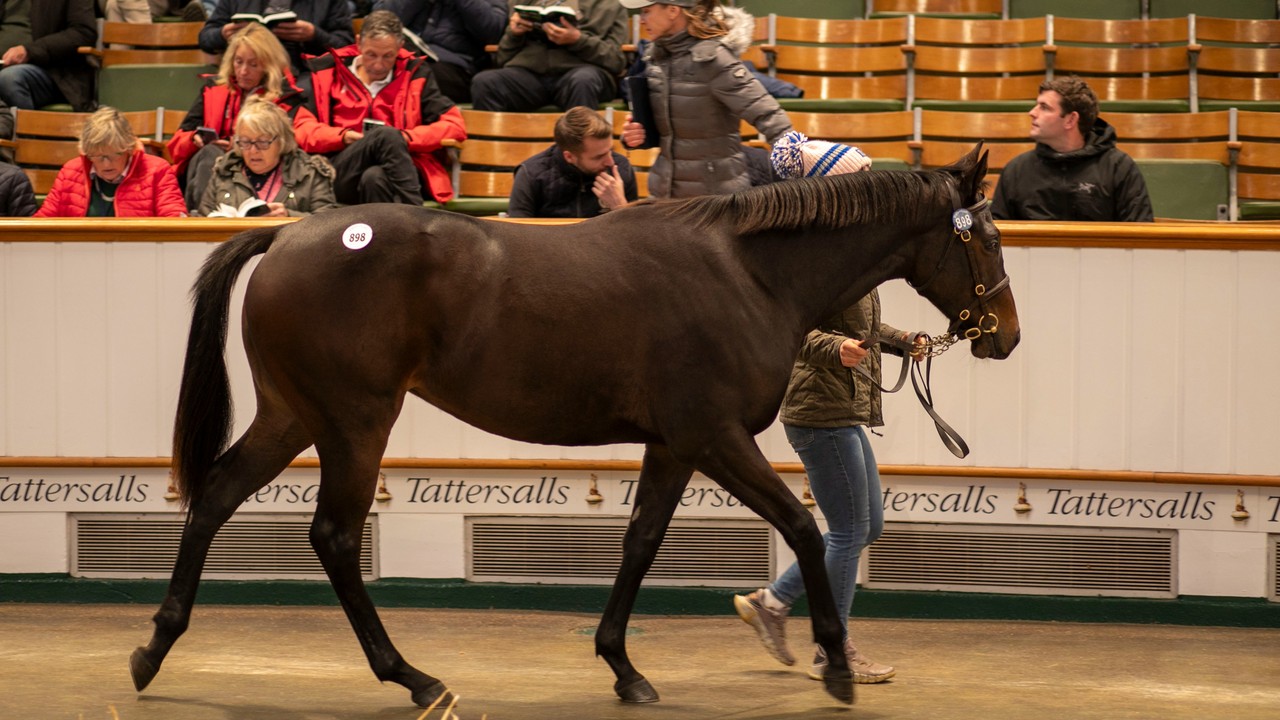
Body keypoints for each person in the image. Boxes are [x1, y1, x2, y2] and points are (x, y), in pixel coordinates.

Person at [733, 132, 922, 686]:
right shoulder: (810, 255)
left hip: (842, 404)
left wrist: (899, 338)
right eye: (857, 181)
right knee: (847, 529)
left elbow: (856, 327)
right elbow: (791, 326)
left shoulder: (845, 251)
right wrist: (831, 348)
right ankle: (831, 648)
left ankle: (773, 602)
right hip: (818, 407)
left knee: (867, 525)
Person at [618, 0, 790, 199]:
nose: (641, 20)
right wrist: (634, 136)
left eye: (647, 11)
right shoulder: (656, 59)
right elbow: (665, 131)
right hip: (664, 195)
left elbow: (767, 113)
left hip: (714, 203)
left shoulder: (714, 60)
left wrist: (801, 161)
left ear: (673, 11)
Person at [294, 9, 466, 205]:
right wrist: (342, 136)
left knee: (375, 177)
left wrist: (406, 138)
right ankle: (417, 214)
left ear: (400, 47)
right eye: (371, 55)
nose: (378, 64)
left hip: (394, 170)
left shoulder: (415, 74)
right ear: (358, 43)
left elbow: (455, 125)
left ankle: (389, 235)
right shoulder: (328, 72)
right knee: (385, 135)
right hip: (338, 168)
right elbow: (301, 129)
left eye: (387, 56)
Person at [169, 23, 303, 211]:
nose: (243, 71)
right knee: (209, 154)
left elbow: (289, 144)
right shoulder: (212, 90)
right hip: (212, 168)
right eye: (238, 62)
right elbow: (176, 144)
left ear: (269, 65)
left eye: (253, 64)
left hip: (262, 169)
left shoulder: (286, 97)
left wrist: (241, 146)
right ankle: (204, 221)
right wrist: (193, 139)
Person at [992, 76, 1154, 222]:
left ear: (1070, 120)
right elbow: (993, 235)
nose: (1032, 113)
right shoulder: (1017, 169)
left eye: (1044, 107)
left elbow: (1141, 232)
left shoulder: (1118, 167)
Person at [470, 0, 627, 112]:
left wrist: (578, 40)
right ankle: (493, 153)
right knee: (485, 82)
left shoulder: (610, 5)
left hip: (581, 71)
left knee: (583, 81)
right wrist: (514, 34)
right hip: (529, 75)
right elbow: (502, 59)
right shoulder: (524, 3)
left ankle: (581, 156)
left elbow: (616, 60)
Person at [36, 106, 187, 217]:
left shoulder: (157, 170)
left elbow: (174, 221)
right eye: (97, 156)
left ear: (128, 148)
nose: (106, 164)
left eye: (114, 155)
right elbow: (42, 222)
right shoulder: (70, 171)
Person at [198, 98, 336, 217]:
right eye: (245, 142)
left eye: (262, 142)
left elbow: (328, 223)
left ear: (281, 142)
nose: (253, 151)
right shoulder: (224, 171)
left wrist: (289, 216)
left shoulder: (309, 172)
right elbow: (202, 218)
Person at [508, 106, 637, 218]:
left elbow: (635, 241)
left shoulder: (621, 169)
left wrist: (619, 206)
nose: (610, 161)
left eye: (610, 150)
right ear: (569, 157)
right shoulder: (531, 175)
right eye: (599, 157)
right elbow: (516, 236)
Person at [373, 0, 507, 104]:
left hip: (457, 67)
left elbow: (494, 31)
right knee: (373, 64)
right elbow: (380, 21)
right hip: (405, 54)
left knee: (417, 72)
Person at [199, 0, 355, 83]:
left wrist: (314, 36)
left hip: (300, 75)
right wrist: (223, 34)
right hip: (246, 76)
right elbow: (205, 38)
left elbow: (346, 46)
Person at [0, 0, 97, 111]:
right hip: (3, 65)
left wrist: (29, 51)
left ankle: (26, 127)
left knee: (10, 78)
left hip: (54, 73)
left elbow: (84, 33)